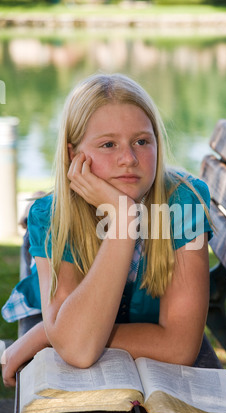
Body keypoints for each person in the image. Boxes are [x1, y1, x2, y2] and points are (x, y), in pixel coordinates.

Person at [1, 73, 213, 388]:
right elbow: (78, 349)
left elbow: (179, 346)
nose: (128, 159)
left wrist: (48, 334)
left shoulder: (185, 203)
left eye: (142, 141)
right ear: (74, 155)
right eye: (108, 144)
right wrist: (124, 221)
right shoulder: (52, 216)